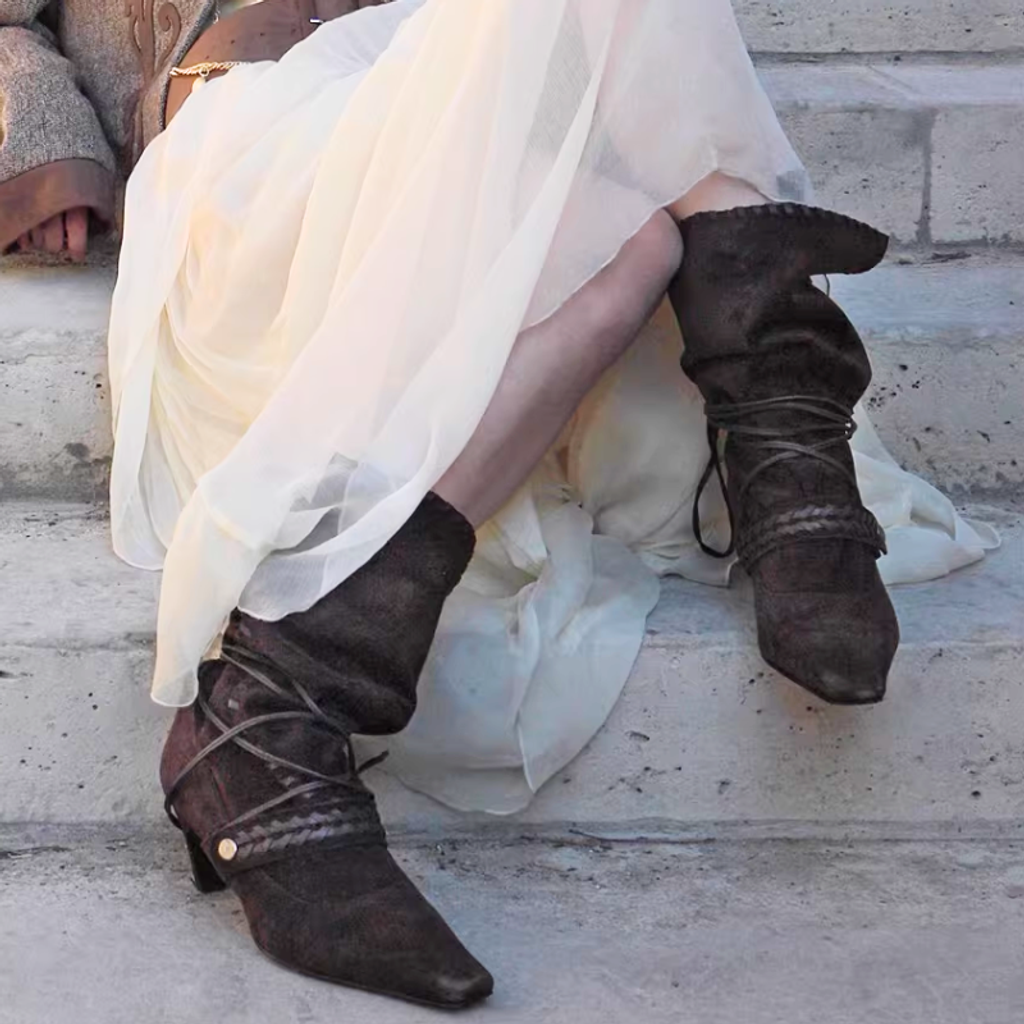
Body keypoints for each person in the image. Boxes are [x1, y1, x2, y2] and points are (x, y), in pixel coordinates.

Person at [106, 0, 997, 1010]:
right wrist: (49, 151)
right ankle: (787, 438)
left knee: (637, 247)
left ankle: (272, 705)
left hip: (437, 102)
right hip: (255, 146)